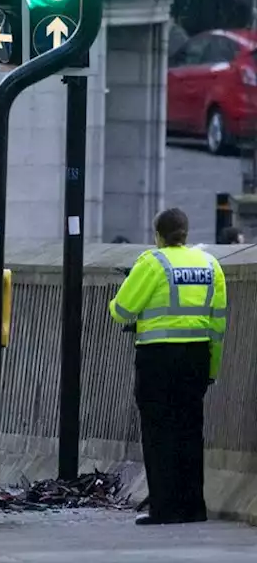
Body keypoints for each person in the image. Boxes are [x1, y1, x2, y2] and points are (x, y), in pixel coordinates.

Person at [109, 207, 226, 526]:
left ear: (157, 235)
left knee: (159, 433)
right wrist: (212, 369)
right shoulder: (210, 264)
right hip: (197, 358)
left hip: (158, 358)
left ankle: (164, 509)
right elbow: (218, 325)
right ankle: (193, 508)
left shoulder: (152, 262)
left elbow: (121, 310)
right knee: (190, 431)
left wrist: (130, 283)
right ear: (186, 233)